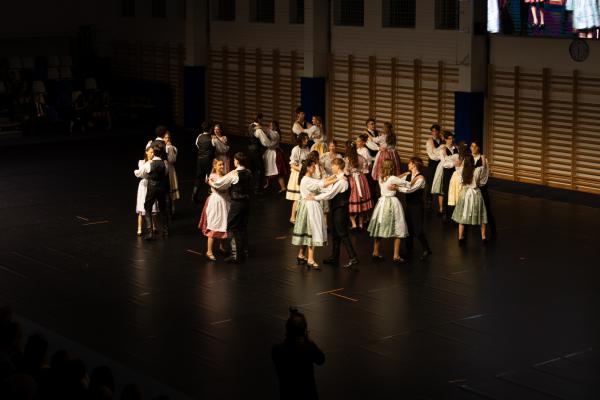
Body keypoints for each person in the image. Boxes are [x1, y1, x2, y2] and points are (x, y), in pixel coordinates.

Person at [310, 158, 359, 268]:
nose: (331, 167)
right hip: (335, 208)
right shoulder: (337, 178)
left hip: (340, 210)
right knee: (335, 234)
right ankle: (334, 257)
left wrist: (315, 197)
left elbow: (330, 194)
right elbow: (328, 190)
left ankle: (353, 258)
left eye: (333, 165)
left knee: (342, 234)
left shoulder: (342, 181)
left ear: (338, 166)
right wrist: (317, 191)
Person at [272, 308, 325, 400]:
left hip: (287, 395)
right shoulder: (308, 348)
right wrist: (309, 341)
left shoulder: (276, 350)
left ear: (287, 329)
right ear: (304, 330)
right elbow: (321, 360)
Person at [292, 159, 336, 270]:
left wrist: (333, 177)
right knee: (312, 232)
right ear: (308, 168)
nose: (314, 168)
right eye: (312, 166)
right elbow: (321, 184)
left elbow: (320, 181)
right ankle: (310, 259)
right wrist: (337, 179)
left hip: (307, 206)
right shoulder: (306, 180)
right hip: (309, 207)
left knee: (307, 232)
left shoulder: (307, 178)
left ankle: (301, 254)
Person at [211, 152, 253, 263]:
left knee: (233, 227)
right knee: (242, 226)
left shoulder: (234, 174)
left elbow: (219, 184)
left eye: (234, 160)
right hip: (247, 203)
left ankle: (235, 255)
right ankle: (244, 251)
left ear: (237, 161)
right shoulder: (249, 172)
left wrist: (211, 183)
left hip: (237, 204)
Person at [367, 159, 409, 263]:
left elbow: (394, 179)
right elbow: (406, 184)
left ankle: (375, 252)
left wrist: (403, 175)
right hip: (392, 203)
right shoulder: (392, 178)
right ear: (392, 167)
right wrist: (401, 184)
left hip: (382, 203)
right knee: (399, 228)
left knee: (379, 228)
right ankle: (396, 255)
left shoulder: (381, 177)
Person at [392, 157, 432, 261]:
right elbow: (397, 180)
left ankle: (426, 249)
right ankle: (409, 250)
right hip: (409, 206)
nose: (408, 164)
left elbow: (409, 190)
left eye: (409, 163)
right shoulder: (408, 175)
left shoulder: (420, 178)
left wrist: (397, 188)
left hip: (417, 206)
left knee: (418, 229)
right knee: (408, 228)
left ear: (414, 165)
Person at [452, 154, 488, 244]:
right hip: (475, 194)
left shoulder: (462, 170)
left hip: (465, 194)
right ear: (473, 161)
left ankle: (460, 237)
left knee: (462, 216)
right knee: (481, 216)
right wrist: (483, 159)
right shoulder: (478, 170)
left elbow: (461, 182)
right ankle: (483, 237)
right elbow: (484, 170)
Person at [199, 159, 231, 261]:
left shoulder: (224, 176)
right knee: (214, 224)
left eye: (222, 165)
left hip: (225, 201)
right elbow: (219, 186)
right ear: (215, 166)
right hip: (216, 202)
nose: (222, 166)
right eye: (220, 165)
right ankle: (209, 251)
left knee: (224, 224)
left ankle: (222, 247)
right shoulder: (212, 176)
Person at [141, 143, 170, 240]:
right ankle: (165, 231)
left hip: (152, 188)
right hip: (161, 187)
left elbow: (142, 174)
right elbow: (166, 173)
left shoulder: (149, 164)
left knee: (147, 208)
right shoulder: (164, 163)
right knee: (163, 208)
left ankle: (150, 233)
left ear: (154, 153)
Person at [345, 139, 373, 230]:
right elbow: (366, 170)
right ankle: (360, 223)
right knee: (361, 201)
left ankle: (354, 224)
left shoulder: (347, 159)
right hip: (361, 179)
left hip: (352, 180)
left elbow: (346, 171)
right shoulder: (361, 157)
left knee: (352, 200)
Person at [431, 131, 459, 220]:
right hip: (446, 171)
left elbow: (459, 160)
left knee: (455, 191)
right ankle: (444, 212)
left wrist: (453, 161)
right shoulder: (443, 149)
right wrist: (454, 163)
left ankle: (454, 212)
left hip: (455, 172)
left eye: (452, 138)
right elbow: (444, 163)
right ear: (446, 139)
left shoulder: (456, 148)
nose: (451, 140)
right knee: (445, 191)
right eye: (449, 139)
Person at [471, 140, 496, 238]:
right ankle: (464, 234)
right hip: (471, 188)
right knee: (468, 210)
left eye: (475, 146)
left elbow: (485, 175)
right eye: (472, 146)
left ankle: (493, 231)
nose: (473, 148)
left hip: (481, 188)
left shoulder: (483, 159)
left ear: (479, 148)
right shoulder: (468, 158)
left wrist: (477, 183)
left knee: (486, 210)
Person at [286, 133, 310, 223]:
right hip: (297, 175)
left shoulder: (307, 149)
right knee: (297, 197)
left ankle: (302, 217)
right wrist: (302, 169)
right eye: (305, 139)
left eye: (307, 139)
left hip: (305, 175)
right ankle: (293, 217)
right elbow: (292, 165)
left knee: (304, 197)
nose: (307, 141)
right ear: (300, 140)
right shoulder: (296, 149)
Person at [134, 147, 158, 236]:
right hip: (144, 185)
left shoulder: (156, 162)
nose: (152, 154)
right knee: (141, 206)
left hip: (152, 184)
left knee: (153, 206)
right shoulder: (142, 162)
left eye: (153, 152)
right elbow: (141, 173)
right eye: (151, 152)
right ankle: (139, 228)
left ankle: (154, 226)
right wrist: (148, 163)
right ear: (146, 152)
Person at [263, 120, 289, 193]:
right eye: (269, 125)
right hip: (269, 153)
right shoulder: (271, 133)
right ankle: (269, 184)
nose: (270, 127)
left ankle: (283, 187)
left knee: (278, 171)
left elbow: (271, 136)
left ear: (276, 127)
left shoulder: (276, 134)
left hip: (275, 154)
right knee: (268, 169)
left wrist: (262, 128)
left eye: (271, 125)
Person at [193, 121, 215, 204]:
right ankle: (211, 196)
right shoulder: (212, 139)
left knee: (199, 177)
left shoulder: (199, 136)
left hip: (200, 160)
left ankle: (194, 194)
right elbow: (215, 147)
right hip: (209, 160)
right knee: (211, 177)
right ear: (210, 129)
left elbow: (197, 145)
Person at [248, 114, 270, 194]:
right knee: (260, 170)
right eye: (262, 119)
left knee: (252, 169)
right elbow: (265, 142)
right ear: (259, 119)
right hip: (256, 151)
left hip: (250, 150)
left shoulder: (250, 126)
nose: (262, 121)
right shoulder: (259, 130)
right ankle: (257, 189)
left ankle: (251, 186)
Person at [426, 124, 443, 208]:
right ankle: (429, 201)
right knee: (430, 181)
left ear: (439, 132)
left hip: (440, 164)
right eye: (433, 131)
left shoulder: (442, 140)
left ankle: (440, 203)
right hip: (432, 164)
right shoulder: (429, 141)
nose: (434, 133)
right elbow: (431, 156)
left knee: (440, 181)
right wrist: (440, 156)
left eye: (436, 131)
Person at [164, 131, 180, 215]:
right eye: (166, 137)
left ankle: (172, 207)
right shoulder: (161, 147)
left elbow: (172, 160)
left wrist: (169, 148)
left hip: (170, 169)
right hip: (163, 170)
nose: (167, 139)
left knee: (171, 189)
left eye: (168, 137)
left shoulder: (173, 148)